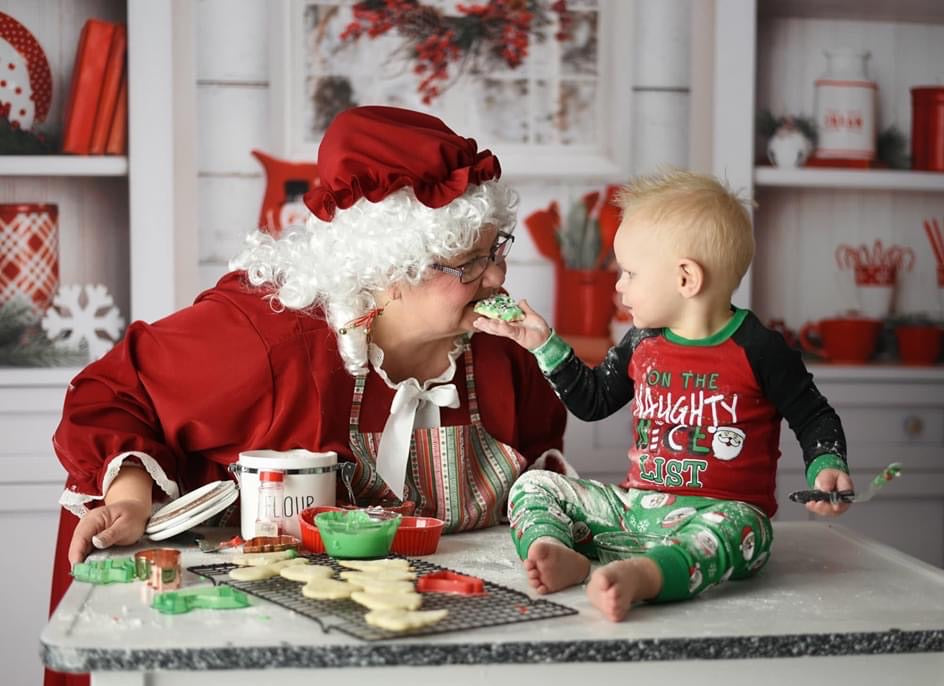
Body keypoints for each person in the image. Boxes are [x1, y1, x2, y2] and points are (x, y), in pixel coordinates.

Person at [47, 106, 570, 682]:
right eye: (466, 264)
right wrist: (129, 497)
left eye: (496, 249)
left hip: (452, 640)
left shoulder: (504, 352)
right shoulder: (270, 341)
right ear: (384, 270)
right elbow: (114, 389)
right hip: (259, 647)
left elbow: (540, 474)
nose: (496, 278)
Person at [474, 169, 852, 622]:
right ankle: (554, 550)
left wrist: (826, 464)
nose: (619, 285)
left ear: (686, 278)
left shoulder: (758, 349)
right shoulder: (642, 342)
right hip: (635, 513)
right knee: (534, 484)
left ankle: (646, 576)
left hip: (715, 520)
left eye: (630, 273)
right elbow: (592, 401)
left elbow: (813, 416)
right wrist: (544, 344)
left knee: (747, 527)